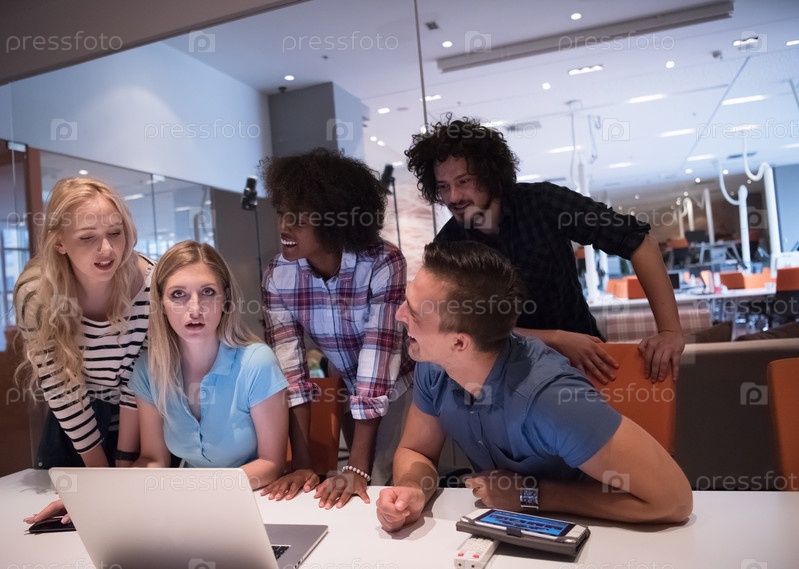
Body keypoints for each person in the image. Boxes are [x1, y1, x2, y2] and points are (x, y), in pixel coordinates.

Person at [376, 241, 693, 532]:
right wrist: (412, 489)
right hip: (507, 532)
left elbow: (675, 501)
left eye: (413, 312)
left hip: (594, 537)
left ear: (459, 343)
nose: (399, 314)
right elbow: (416, 450)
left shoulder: (552, 399)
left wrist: (532, 495)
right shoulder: (435, 365)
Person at [405, 116, 685, 382]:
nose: (453, 196)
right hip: (502, 380)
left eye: (464, 181)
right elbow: (458, 329)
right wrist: (554, 338)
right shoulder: (448, 246)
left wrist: (670, 331)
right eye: (443, 187)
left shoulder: (543, 203)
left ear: (490, 174)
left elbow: (638, 242)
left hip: (584, 366)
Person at [260, 148, 414, 508]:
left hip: (400, 385)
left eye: (299, 218)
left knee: (381, 482)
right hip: (346, 384)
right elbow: (290, 371)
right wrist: (303, 466)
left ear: (335, 219)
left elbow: (377, 364)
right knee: (351, 492)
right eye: (282, 212)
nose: (284, 226)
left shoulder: (382, 262)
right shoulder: (278, 275)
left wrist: (356, 467)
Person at [17, 177, 153, 526]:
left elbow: (139, 381)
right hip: (77, 431)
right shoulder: (37, 296)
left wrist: (123, 463)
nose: (106, 249)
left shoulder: (150, 285)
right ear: (59, 242)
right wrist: (99, 482)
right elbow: (61, 390)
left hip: (143, 425)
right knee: (75, 529)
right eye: (87, 238)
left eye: (115, 233)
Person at [129, 241, 288, 489]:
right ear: (160, 303)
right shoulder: (148, 369)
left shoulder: (257, 363)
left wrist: (201, 489)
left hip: (252, 497)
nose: (195, 309)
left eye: (208, 292)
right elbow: (154, 459)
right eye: (178, 294)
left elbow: (271, 463)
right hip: (188, 502)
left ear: (226, 298)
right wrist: (110, 491)